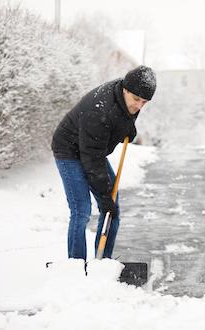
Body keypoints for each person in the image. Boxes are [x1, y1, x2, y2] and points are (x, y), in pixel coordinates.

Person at [51, 65, 156, 262]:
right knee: (81, 210)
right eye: (136, 99)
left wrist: (127, 128)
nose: (139, 106)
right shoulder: (100, 109)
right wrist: (104, 194)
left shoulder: (127, 98)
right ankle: (76, 264)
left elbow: (118, 120)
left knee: (112, 210)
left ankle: (102, 262)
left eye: (145, 102)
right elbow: (91, 159)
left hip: (92, 150)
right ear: (125, 89)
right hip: (69, 150)